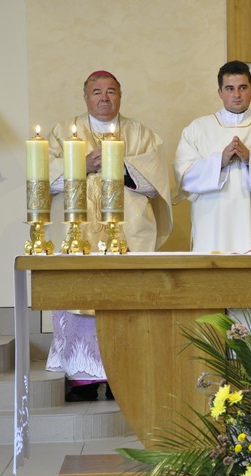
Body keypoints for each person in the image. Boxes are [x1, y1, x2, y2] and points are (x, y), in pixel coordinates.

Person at [46, 70, 174, 401]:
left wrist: (120, 165)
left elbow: (156, 186)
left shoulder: (141, 134)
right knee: (79, 298)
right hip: (78, 234)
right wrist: (82, 164)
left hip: (128, 232)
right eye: (97, 92)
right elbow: (44, 180)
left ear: (120, 96)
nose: (104, 98)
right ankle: (82, 379)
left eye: (111, 91)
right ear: (85, 97)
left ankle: (121, 377)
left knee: (123, 302)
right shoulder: (64, 132)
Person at [174, 60, 251, 253]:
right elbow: (184, 175)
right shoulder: (198, 128)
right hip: (213, 223)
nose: (237, 95)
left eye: (243, 88)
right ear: (220, 92)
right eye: (230, 88)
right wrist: (220, 162)